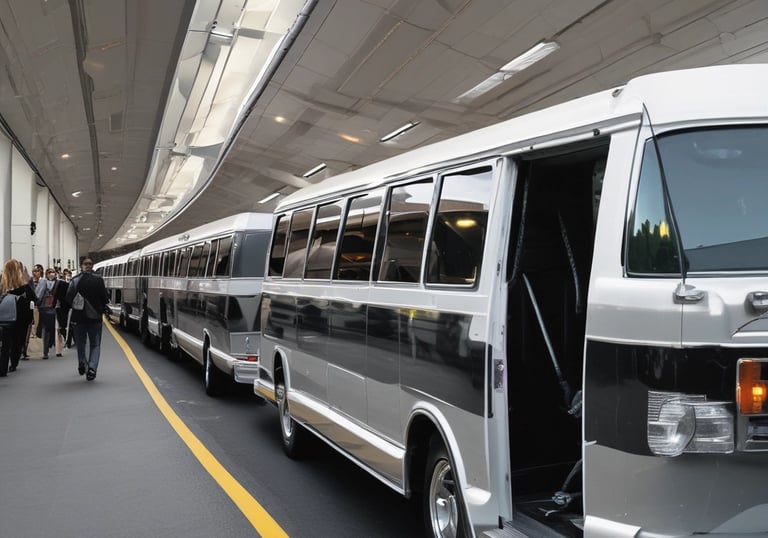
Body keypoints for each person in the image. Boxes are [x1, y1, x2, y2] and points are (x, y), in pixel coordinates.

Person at [65, 258, 109, 381]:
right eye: (87, 264)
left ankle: (82, 362)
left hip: (78, 317)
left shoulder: (75, 280)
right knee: (95, 344)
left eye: (89, 264)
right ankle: (92, 368)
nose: (88, 266)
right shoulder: (99, 280)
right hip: (95, 316)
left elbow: (68, 297)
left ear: (81, 267)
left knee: (81, 343)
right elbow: (104, 297)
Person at [0, 259, 36, 376]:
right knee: (18, 340)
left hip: (4, 317)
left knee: (5, 344)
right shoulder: (24, 285)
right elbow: (34, 299)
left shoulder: (2, 284)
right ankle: (14, 362)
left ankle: (3, 367)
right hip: (21, 318)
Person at [35, 268, 59, 360]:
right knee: (46, 330)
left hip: (53, 309)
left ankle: (52, 347)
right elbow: (39, 294)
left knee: (52, 329)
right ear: (46, 274)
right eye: (49, 272)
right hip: (45, 309)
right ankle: (45, 351)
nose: (51, 274)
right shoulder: (44, 282)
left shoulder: (58, 282)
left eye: (53, 272)